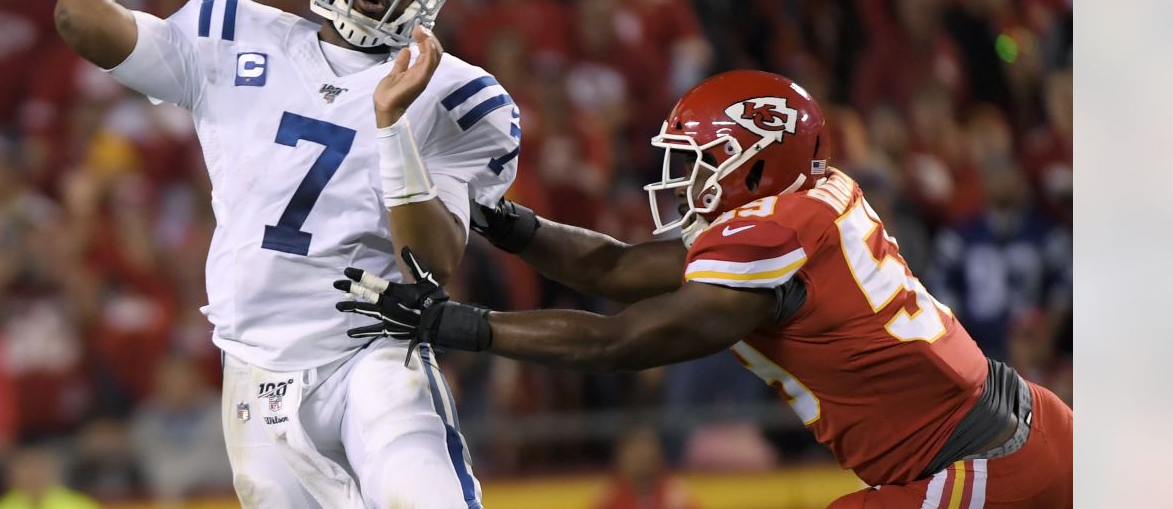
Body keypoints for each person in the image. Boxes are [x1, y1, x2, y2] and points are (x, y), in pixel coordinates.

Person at [339, 70, 1073, 508]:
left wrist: (459, 324)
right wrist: (507, 221)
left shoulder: (770, 235)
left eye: (702, 159)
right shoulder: (813, 197)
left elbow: (621, 340)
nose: (686, 178)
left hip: (980, 468)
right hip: (1028, 427)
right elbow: (618, 269)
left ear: (756, 163)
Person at [55, 0, 520, 508]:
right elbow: (83, 21)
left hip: (372, 352)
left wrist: (393, 129)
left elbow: (434, 261)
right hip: (254, 365)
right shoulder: (233, 32)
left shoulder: (456, 95)